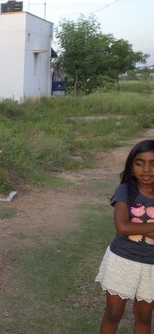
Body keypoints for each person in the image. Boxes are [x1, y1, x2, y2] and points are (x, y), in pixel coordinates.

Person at [96, 139, 154, 334]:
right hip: (122, 260)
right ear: (131, 166)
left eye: (153, 164)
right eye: (140, 163)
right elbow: (122, 226)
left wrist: (137, 227)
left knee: (145, 317)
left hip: (151, 266)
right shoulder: (125, 191)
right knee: (113, 313)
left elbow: (131, 226)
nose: (146, 169)